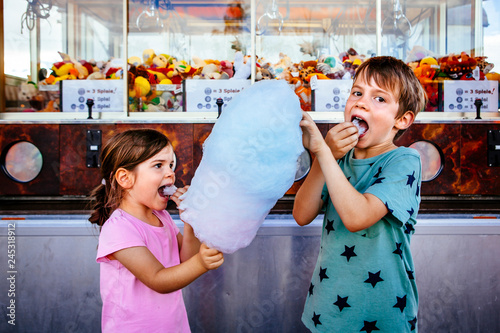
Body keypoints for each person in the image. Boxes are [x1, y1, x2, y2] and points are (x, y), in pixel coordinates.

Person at [294, 56, 427, 332]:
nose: (362, 102)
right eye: (357, 92)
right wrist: (326, 156)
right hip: (327, 311)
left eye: (379, 99)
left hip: (384, 315)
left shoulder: (404, 162)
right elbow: (302, 214)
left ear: (402, 120)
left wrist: (322, 151)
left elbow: (358, 216)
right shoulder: (338, 159)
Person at [89, 129, 224, 332]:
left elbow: (184, 262)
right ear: (125, 178)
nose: (170, 172)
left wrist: (190, 222)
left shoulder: (162, 218)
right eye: (158, 165)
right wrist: (202, 263)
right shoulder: (119, 228)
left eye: (171, 164)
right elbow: (158, 279)